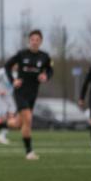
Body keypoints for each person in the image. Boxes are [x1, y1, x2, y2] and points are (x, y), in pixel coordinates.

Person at [4, 30, 53, 161]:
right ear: (29, 41)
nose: (35, 41)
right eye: (32, 39)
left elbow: (50, 70)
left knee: (18, 123)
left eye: (37, 39)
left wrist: (46, 76)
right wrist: (12, 80)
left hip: (33, 94)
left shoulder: (45, 56)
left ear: (41, 41)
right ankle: (29, 152)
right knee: (28, 119)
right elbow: (7, 66)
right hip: (20, 92)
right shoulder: (22, 54)